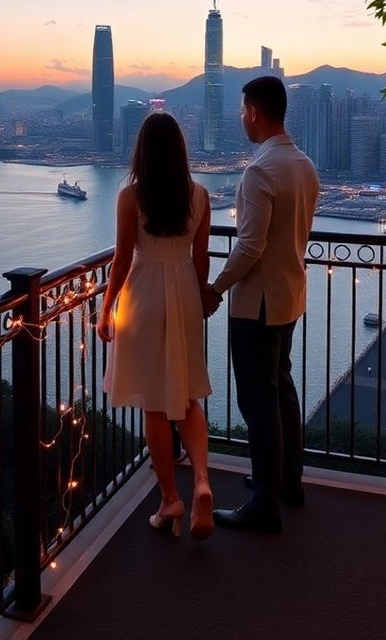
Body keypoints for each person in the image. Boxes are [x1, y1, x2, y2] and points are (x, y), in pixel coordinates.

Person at [203, 76, 319, 534]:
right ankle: (289, 480)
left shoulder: (260, 171)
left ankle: (265, 501)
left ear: (254, 110)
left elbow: (249, 246)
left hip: (257, 305)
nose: (241, 117)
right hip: (290, 296)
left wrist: (216, 288)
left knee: (258, 402)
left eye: (242, 109)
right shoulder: (304, 165)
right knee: (281, 389)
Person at [97, 112, 214, 541]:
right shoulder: (200, 195)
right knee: (186, 394)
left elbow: (122, 259)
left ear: (141, 152)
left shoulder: (131, 196)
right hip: (183, 292)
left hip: (144, 295)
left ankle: (170, 499)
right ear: (181, 151)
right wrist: (201, 295)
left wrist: (106, 308)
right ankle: (201, 479)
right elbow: (200, 259)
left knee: (153, 403)